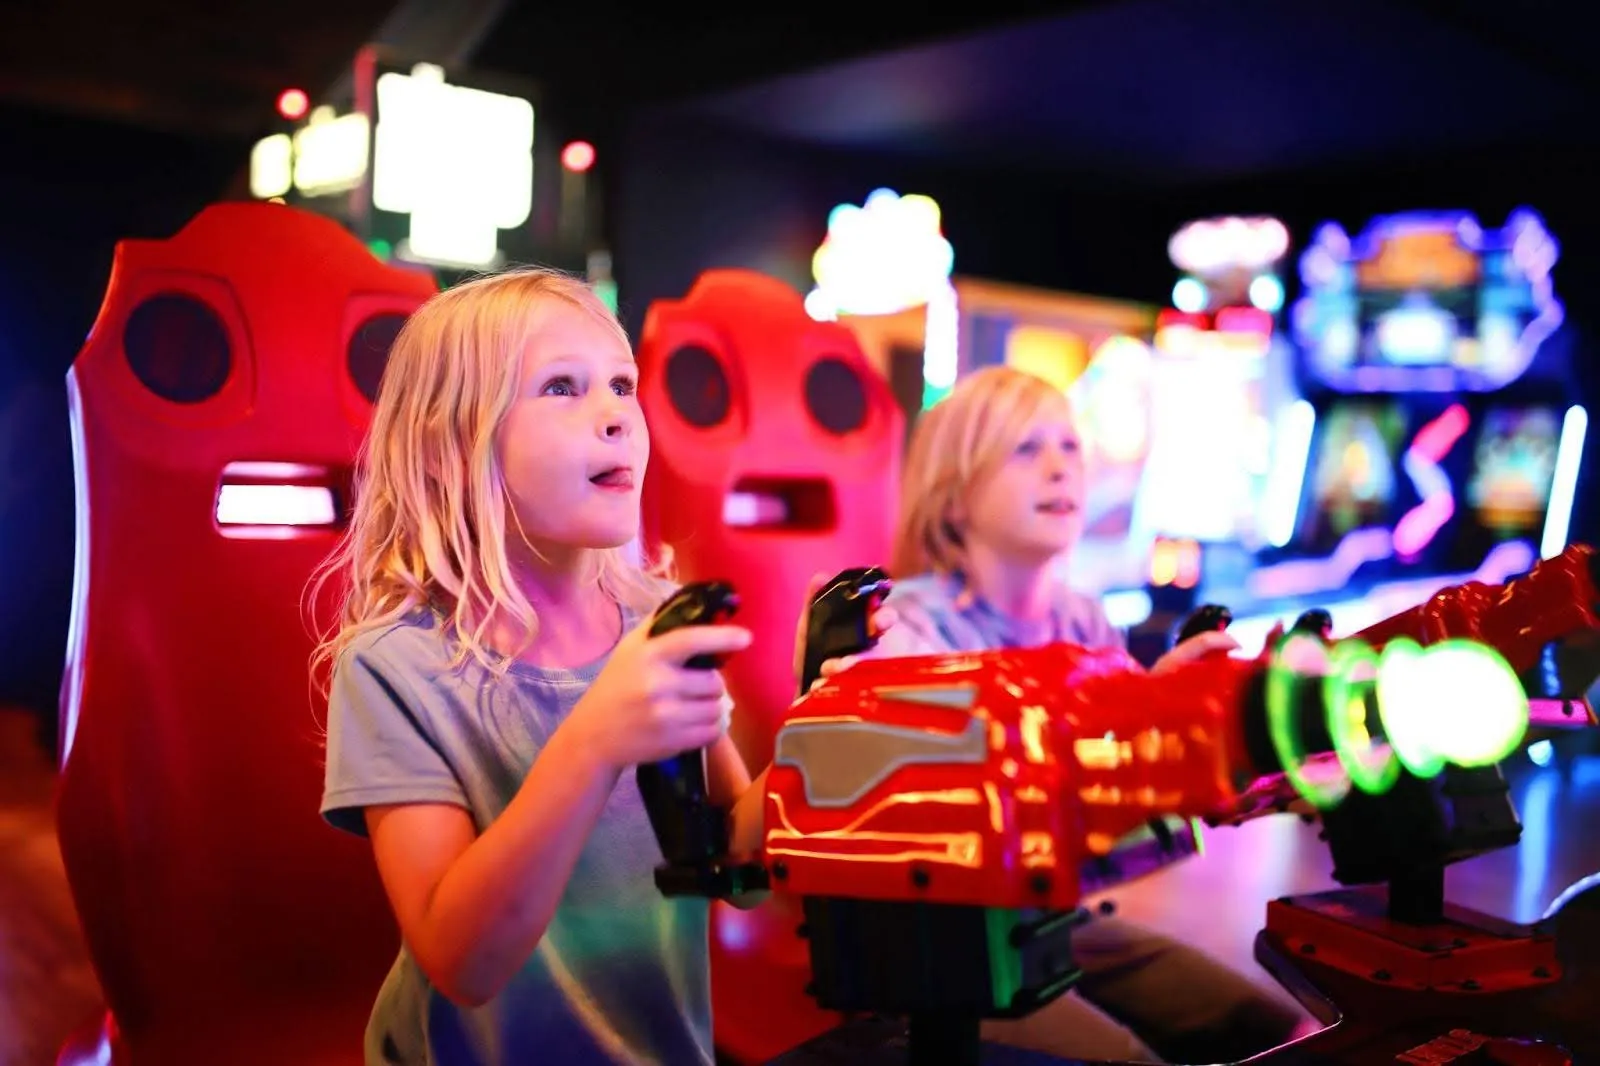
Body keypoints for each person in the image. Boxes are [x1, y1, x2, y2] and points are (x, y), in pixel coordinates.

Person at [310, 267, 878, 1066]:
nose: (616, 415)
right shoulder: (394, 667)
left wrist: (832, 706)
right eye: (561, 388)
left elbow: (739, 867)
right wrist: (596, 741)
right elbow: (460, 960)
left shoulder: (654, 628)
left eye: (621, 384)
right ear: (448, 447)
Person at [857, 365, 1318, 1064]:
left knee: (1275, 1028)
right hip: (934, 952)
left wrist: (1176, 712)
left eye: (1069, 447)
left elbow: (1127, 815)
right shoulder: (902, 629)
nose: (1059, 468)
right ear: (952, 497)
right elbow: (942, 812)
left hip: (1046, 923)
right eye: (1025, 449)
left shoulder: (1083, 619)